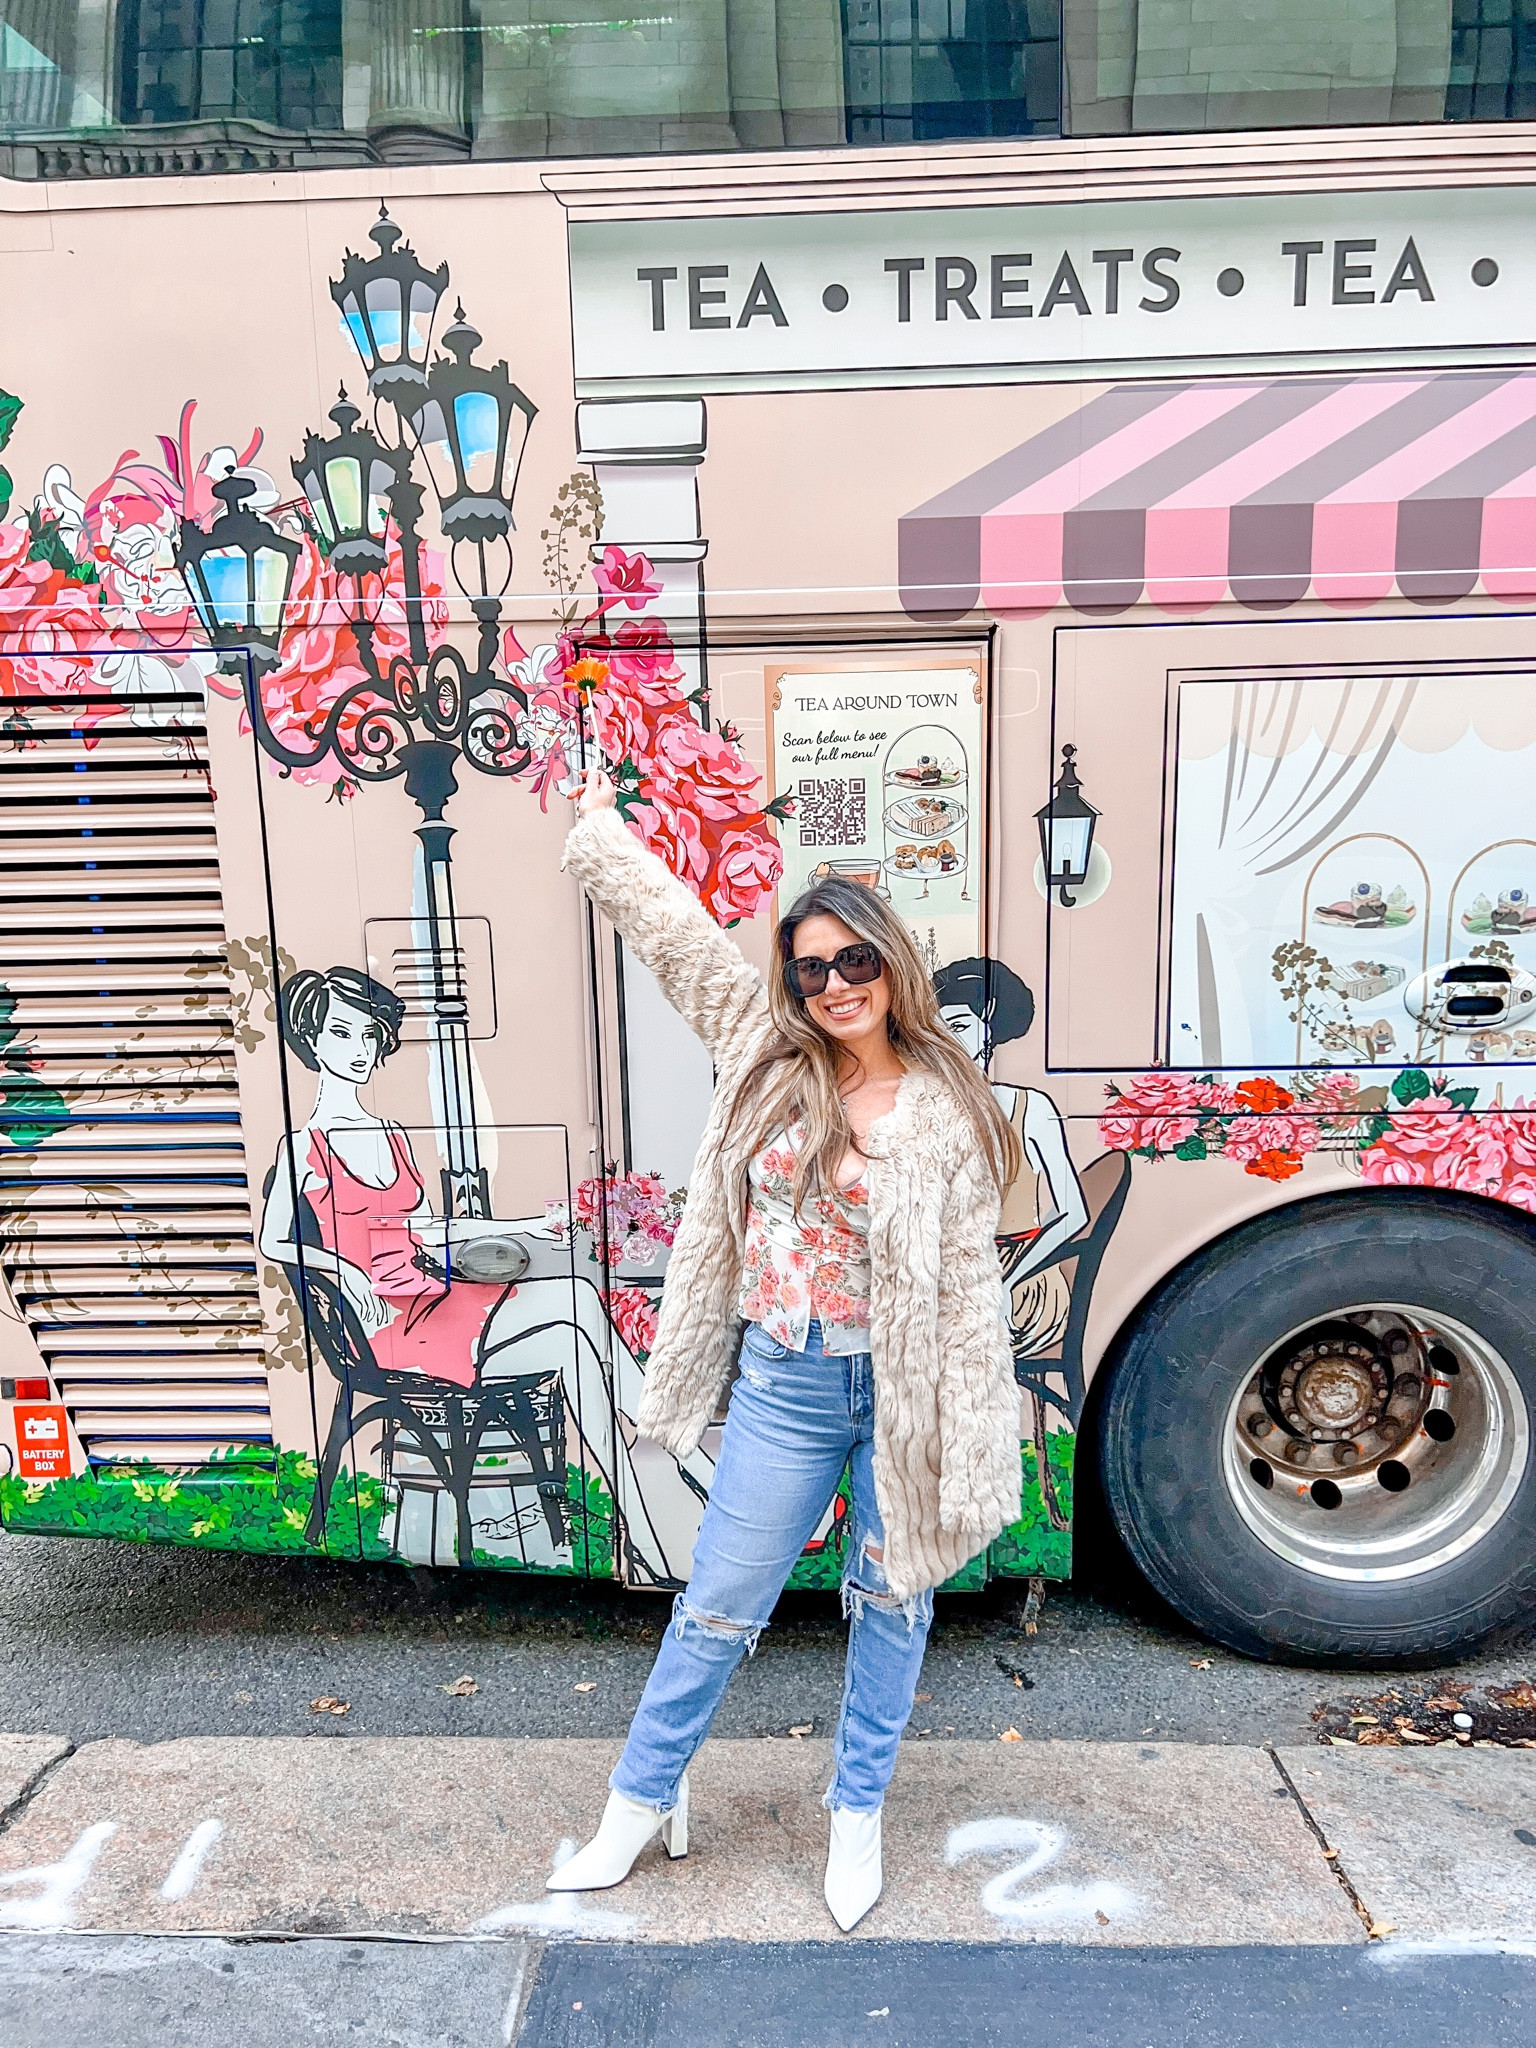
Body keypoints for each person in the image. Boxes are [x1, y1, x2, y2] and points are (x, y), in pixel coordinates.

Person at [548, 767, 1023, 1932]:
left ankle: (856, 1812)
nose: (834, 984)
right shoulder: (767, 1051)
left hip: (906, 1387)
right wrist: (603, 834)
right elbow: (675, 939)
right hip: (788, 1380)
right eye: (811, 968)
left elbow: (972, 1288)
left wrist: (972, 1432)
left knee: (894, 1601)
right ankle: (635, 1802)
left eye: (854, 960)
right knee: (719, 1599)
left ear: (891, 964)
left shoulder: (951, 1099)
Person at [933, 957, 1087, 1362]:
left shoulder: (1030, 1107)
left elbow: (1073, 1213)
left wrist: (1006, 1281)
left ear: (990, 1033)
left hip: (1024, 1276)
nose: (948, 1040)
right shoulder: (933, 1107)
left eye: (960, 1026)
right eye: (940, 1028)